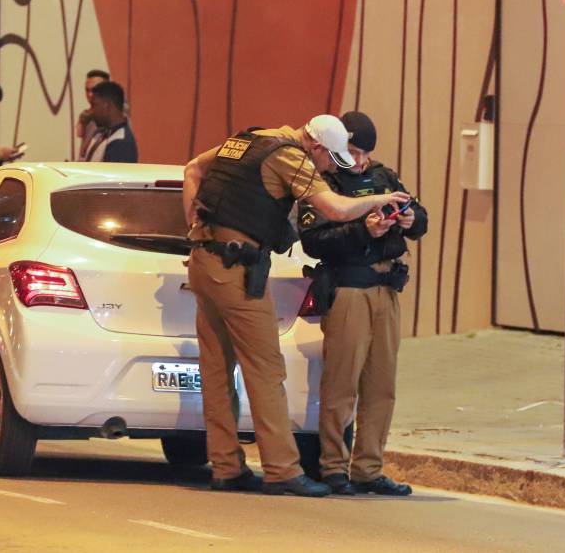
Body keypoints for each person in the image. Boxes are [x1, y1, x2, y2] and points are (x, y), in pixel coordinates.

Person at [183, 114, 409, 497]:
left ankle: (225, 466)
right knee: (266, 368)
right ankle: (282, 470)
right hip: (237, 269)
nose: (328, 168)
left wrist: (191, 228)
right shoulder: (290, 156)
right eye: (330, 159)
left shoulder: (252, 139)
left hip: (204, 263)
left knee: (218, 368)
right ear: (316, 146)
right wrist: (382, 199)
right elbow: (334, 209)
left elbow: (192, 170)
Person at [299, 111, 428, 496]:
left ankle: (369, 468)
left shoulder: (385, 178)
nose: (357, 162)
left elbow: (420, 218)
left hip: (386, 289)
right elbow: (314, 240)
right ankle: (333, 467)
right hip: (349, 289)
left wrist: (409, 221)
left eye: (362, 154)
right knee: (341, 384)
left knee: (381, 385)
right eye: (351, 152)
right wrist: (362, 230)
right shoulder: (324, 182)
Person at [82, 81, 138, 163]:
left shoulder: (121, 144)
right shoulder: (103, 133)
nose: (92, 111)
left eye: (94, 105)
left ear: (107, 105)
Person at [75, 69, 111, 159]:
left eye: (95, 90)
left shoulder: (115, 118)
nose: (90, 94)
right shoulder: (86, 116)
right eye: (87, 90)